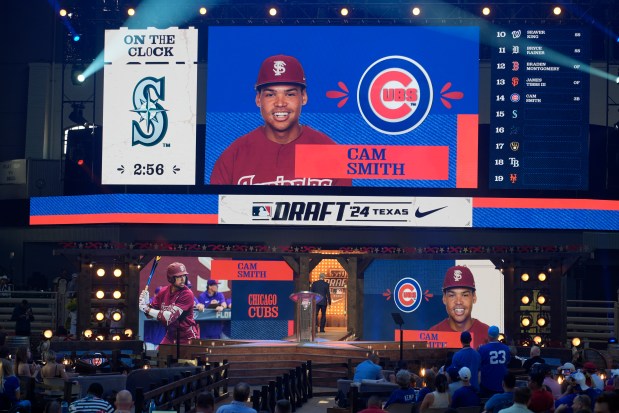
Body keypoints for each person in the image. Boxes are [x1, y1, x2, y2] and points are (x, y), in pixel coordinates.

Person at [210, 54, 352, 186]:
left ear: (303, 97)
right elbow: (215, 210)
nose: (280, 103)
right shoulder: (233, 157)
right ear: (258, 99)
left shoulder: (329, 153)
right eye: (270, 95)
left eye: (289, 94)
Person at [138, 262, 200, 345]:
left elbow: (169, 318)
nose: (183, 279)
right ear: (171, 278)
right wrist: (146, 304)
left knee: (186, 358)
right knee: (159, 356)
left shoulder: (187, 293)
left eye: (184, 276)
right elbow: (149, 316)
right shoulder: (163, 292)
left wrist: (146, 309)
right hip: (170, 335)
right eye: (179, 276)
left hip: (187, 336)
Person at [429, 266, 490, 347]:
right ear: (444, 298)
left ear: (474, 297)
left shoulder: (488, 334)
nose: (458, 302)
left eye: (464, 295)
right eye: (452, 295)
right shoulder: (432, 334)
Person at [478, 325, 511, 397]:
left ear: (488, 336)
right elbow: (508, 362)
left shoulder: (482, 349)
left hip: (487, 385)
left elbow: (479, 365)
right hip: (501, 385)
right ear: (498, 335)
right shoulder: (506, 348)